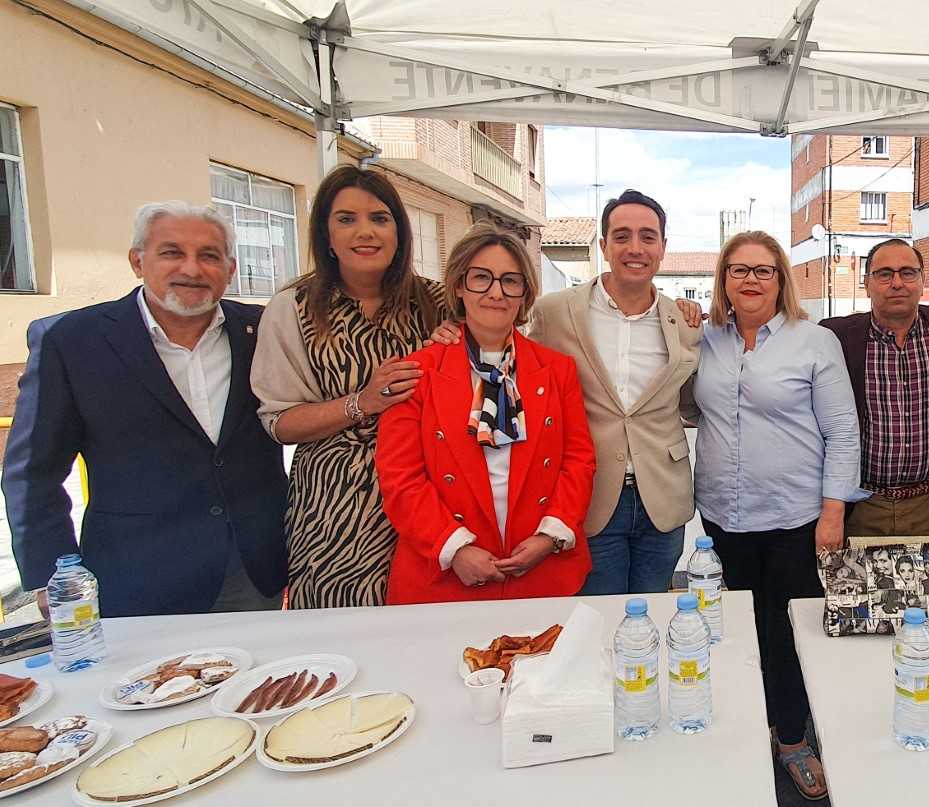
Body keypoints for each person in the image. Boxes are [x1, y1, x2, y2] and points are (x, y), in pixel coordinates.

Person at [2, 203, 287, 617]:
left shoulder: (261, 330)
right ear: (137, 261)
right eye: (172, 252)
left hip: (251, 571)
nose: (192, 269)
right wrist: (51, 576)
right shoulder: (72, 341)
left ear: (230, 269)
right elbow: (33, 472)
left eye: (209, 255)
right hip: (137, 577)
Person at [433, 190, 701, 595]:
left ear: (663, 247)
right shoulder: (555, 311)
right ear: (604, 244)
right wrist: (454, 332)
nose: (635, 248)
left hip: (663, 500)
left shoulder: (684, 321)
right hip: (590, 500)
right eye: (622, 235)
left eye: (648, 237)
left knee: (654, 616)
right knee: (597, 622)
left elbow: (689, 404)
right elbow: (505, 352)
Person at [684, 231, 862, 801]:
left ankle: (791, 740)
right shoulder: (705, 340)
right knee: (731, 632)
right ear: (724, 281)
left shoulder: (814, 342)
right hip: (722, 518)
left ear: (781, 280)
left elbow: (843, 431)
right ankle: (738, 734)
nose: (752, 280)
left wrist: (832, 513)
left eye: (764, 270)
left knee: (785, 635)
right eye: (739, 270)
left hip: (794, 519)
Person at [251, 166, 449, 608]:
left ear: (400, 231)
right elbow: (279, 423)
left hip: (427, 501)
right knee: (339, 639)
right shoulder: (294, 308)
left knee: (427, 638)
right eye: (346, 219)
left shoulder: (438, 304)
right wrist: (363, 403)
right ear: (325, 233)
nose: (366, 232)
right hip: (335, 509)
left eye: (380, 218)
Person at [375, 224, 594, 602]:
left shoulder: (558, 370)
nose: (496, 292)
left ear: (525, 292)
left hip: (541, 570)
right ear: (459, 286)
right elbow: (400, 478)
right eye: (481, 278)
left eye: (511, 281)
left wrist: (549, 535)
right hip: (445, 577)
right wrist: (455, 547)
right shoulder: (418, 371)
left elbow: (578, 460)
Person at [821, 239, 929, 536]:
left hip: (928, 505)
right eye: (884, 274)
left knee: (927, 585)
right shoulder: (836, 335)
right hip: (859, 505)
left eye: (908, 273)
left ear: (923, 280)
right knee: (856, 585)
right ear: (867, 283)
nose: (897, 283)